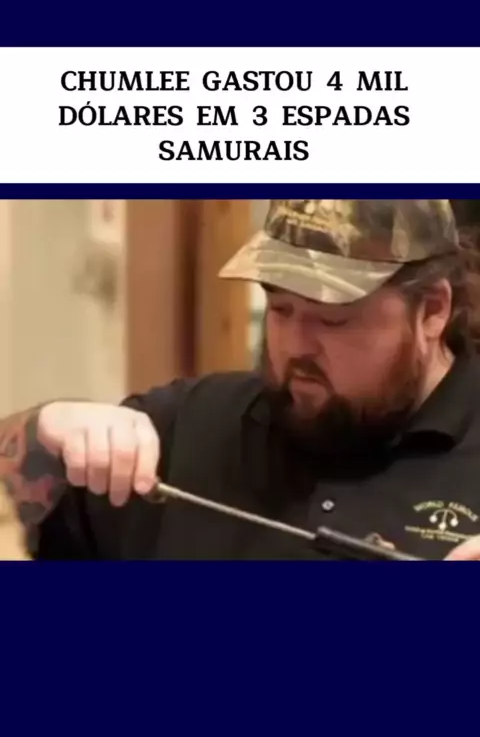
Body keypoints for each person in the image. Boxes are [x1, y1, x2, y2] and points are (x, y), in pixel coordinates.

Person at [1, 198, 480, 561]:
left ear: (433, 310)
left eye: (332, 319)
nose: (295, 346)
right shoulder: (188, 428)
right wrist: (42, 432)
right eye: (280, 308)